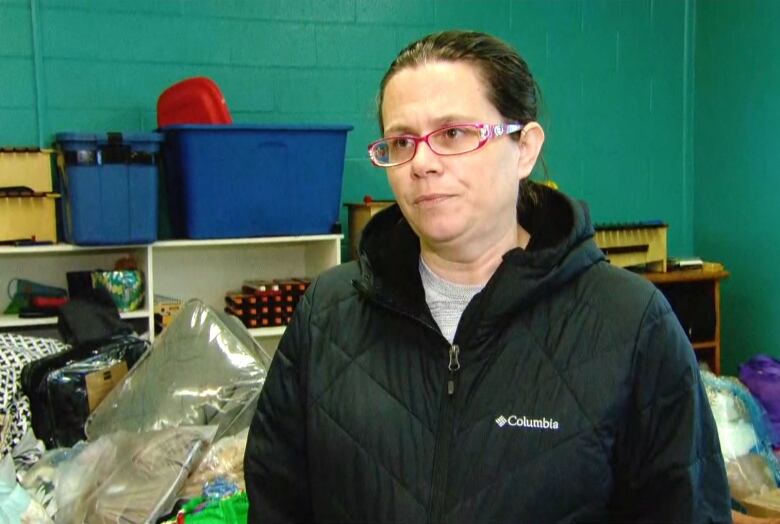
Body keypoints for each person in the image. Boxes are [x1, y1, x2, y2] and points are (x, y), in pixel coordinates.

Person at [244, 30, 731, 523]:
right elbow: (276, 498)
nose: (423, 164)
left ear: (524, 148)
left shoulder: (631, 325)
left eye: (454, 134)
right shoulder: (328, 314)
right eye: (401, 141)